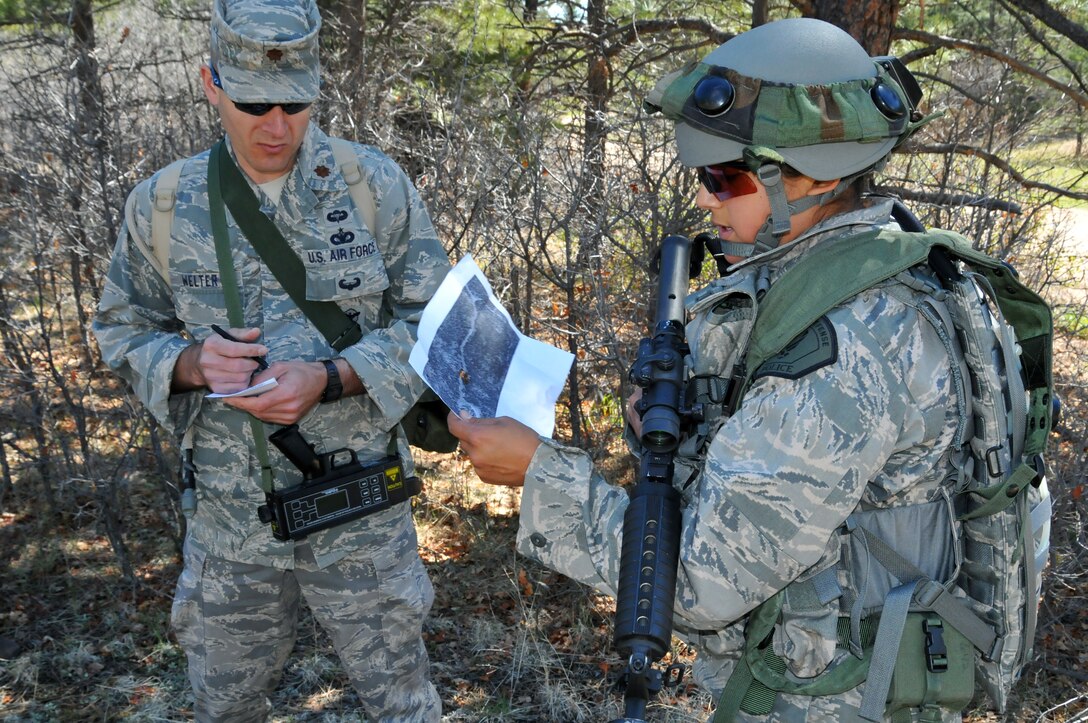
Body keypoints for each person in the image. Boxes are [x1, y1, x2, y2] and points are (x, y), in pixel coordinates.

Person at [448, 17, 1013, 722]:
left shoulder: (846, 347)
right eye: (703, 176)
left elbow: (698, 583)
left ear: (810, 179)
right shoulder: (876, 260)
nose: (707, 198)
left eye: (726, 176)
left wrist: (541, 474)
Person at [93, 0, 449, 719]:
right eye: (254, 103)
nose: (277, 126)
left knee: (403, 706)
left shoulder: (371, 187)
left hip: (362, 521)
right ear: (210, 84)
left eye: (296, 102)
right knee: (225, 708)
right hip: (232, 531)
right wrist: (193, 363)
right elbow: (120, 328)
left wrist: (332, 378)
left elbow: (439, 325)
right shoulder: (164, 203)